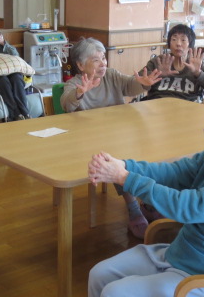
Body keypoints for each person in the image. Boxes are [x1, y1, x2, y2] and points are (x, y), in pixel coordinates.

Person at [87, 100, 204, 297]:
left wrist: (124, 177)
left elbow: (185, 206)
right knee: (100, 274)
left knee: (115, 292)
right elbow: (172, 172)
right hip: (182, 255)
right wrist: (125, 166)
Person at [61, 37, 162, 238]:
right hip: (89, 143)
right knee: (116, 158)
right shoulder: (74, 84)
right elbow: (66, 103)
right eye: (96, 60)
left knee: (144, 150)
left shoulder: (112, 76)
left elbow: (130, 86)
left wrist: (142, 85)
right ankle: (134, 208)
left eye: (104, 58)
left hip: (118, 134)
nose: (103, 63)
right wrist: (80, 94)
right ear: (80, 65)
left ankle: (148, 201)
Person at [142, 23, 204, 102]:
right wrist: (158, 74)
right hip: (157, 106)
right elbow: (138, 81)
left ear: (190, 44)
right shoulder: (158, 61)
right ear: (169, 43)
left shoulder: (197, 65)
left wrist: (198, 73)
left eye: (183, 40)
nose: (178, 44)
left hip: (187, 109)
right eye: (174, 39)